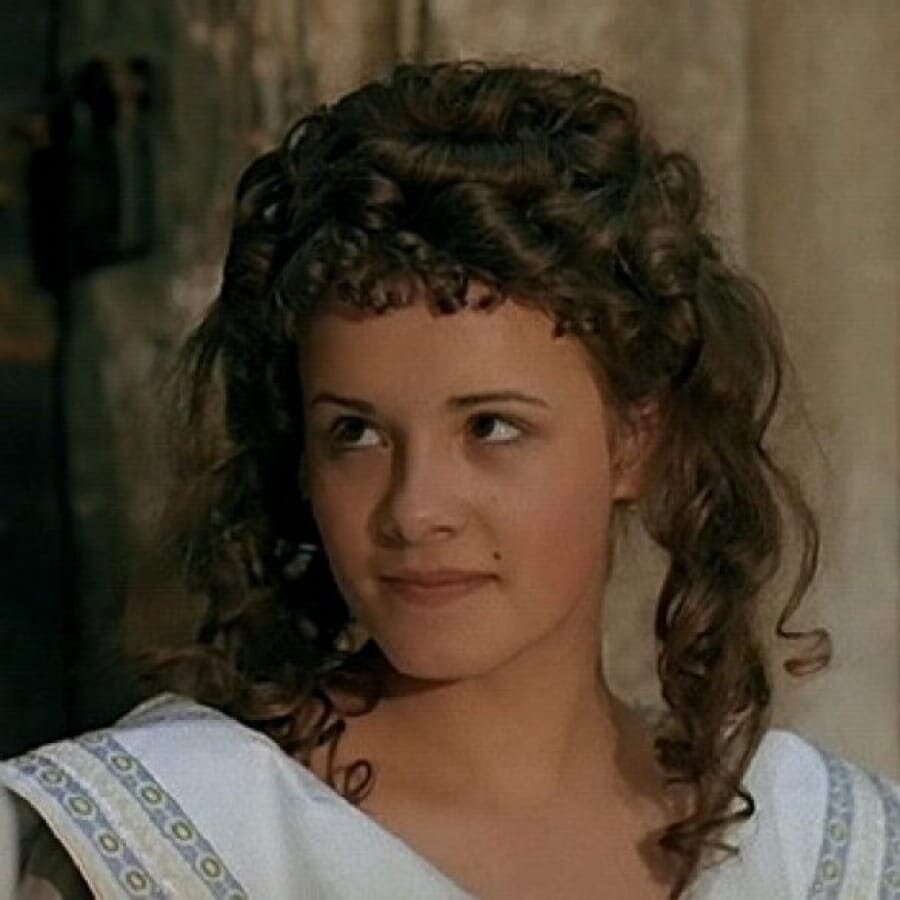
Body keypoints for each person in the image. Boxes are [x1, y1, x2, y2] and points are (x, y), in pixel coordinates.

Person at [1, 61, 897, 899]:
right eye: (355, 433)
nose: (415, 509)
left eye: (491, 427)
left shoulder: (816, 851)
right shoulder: (164, 840)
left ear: (636, 440)